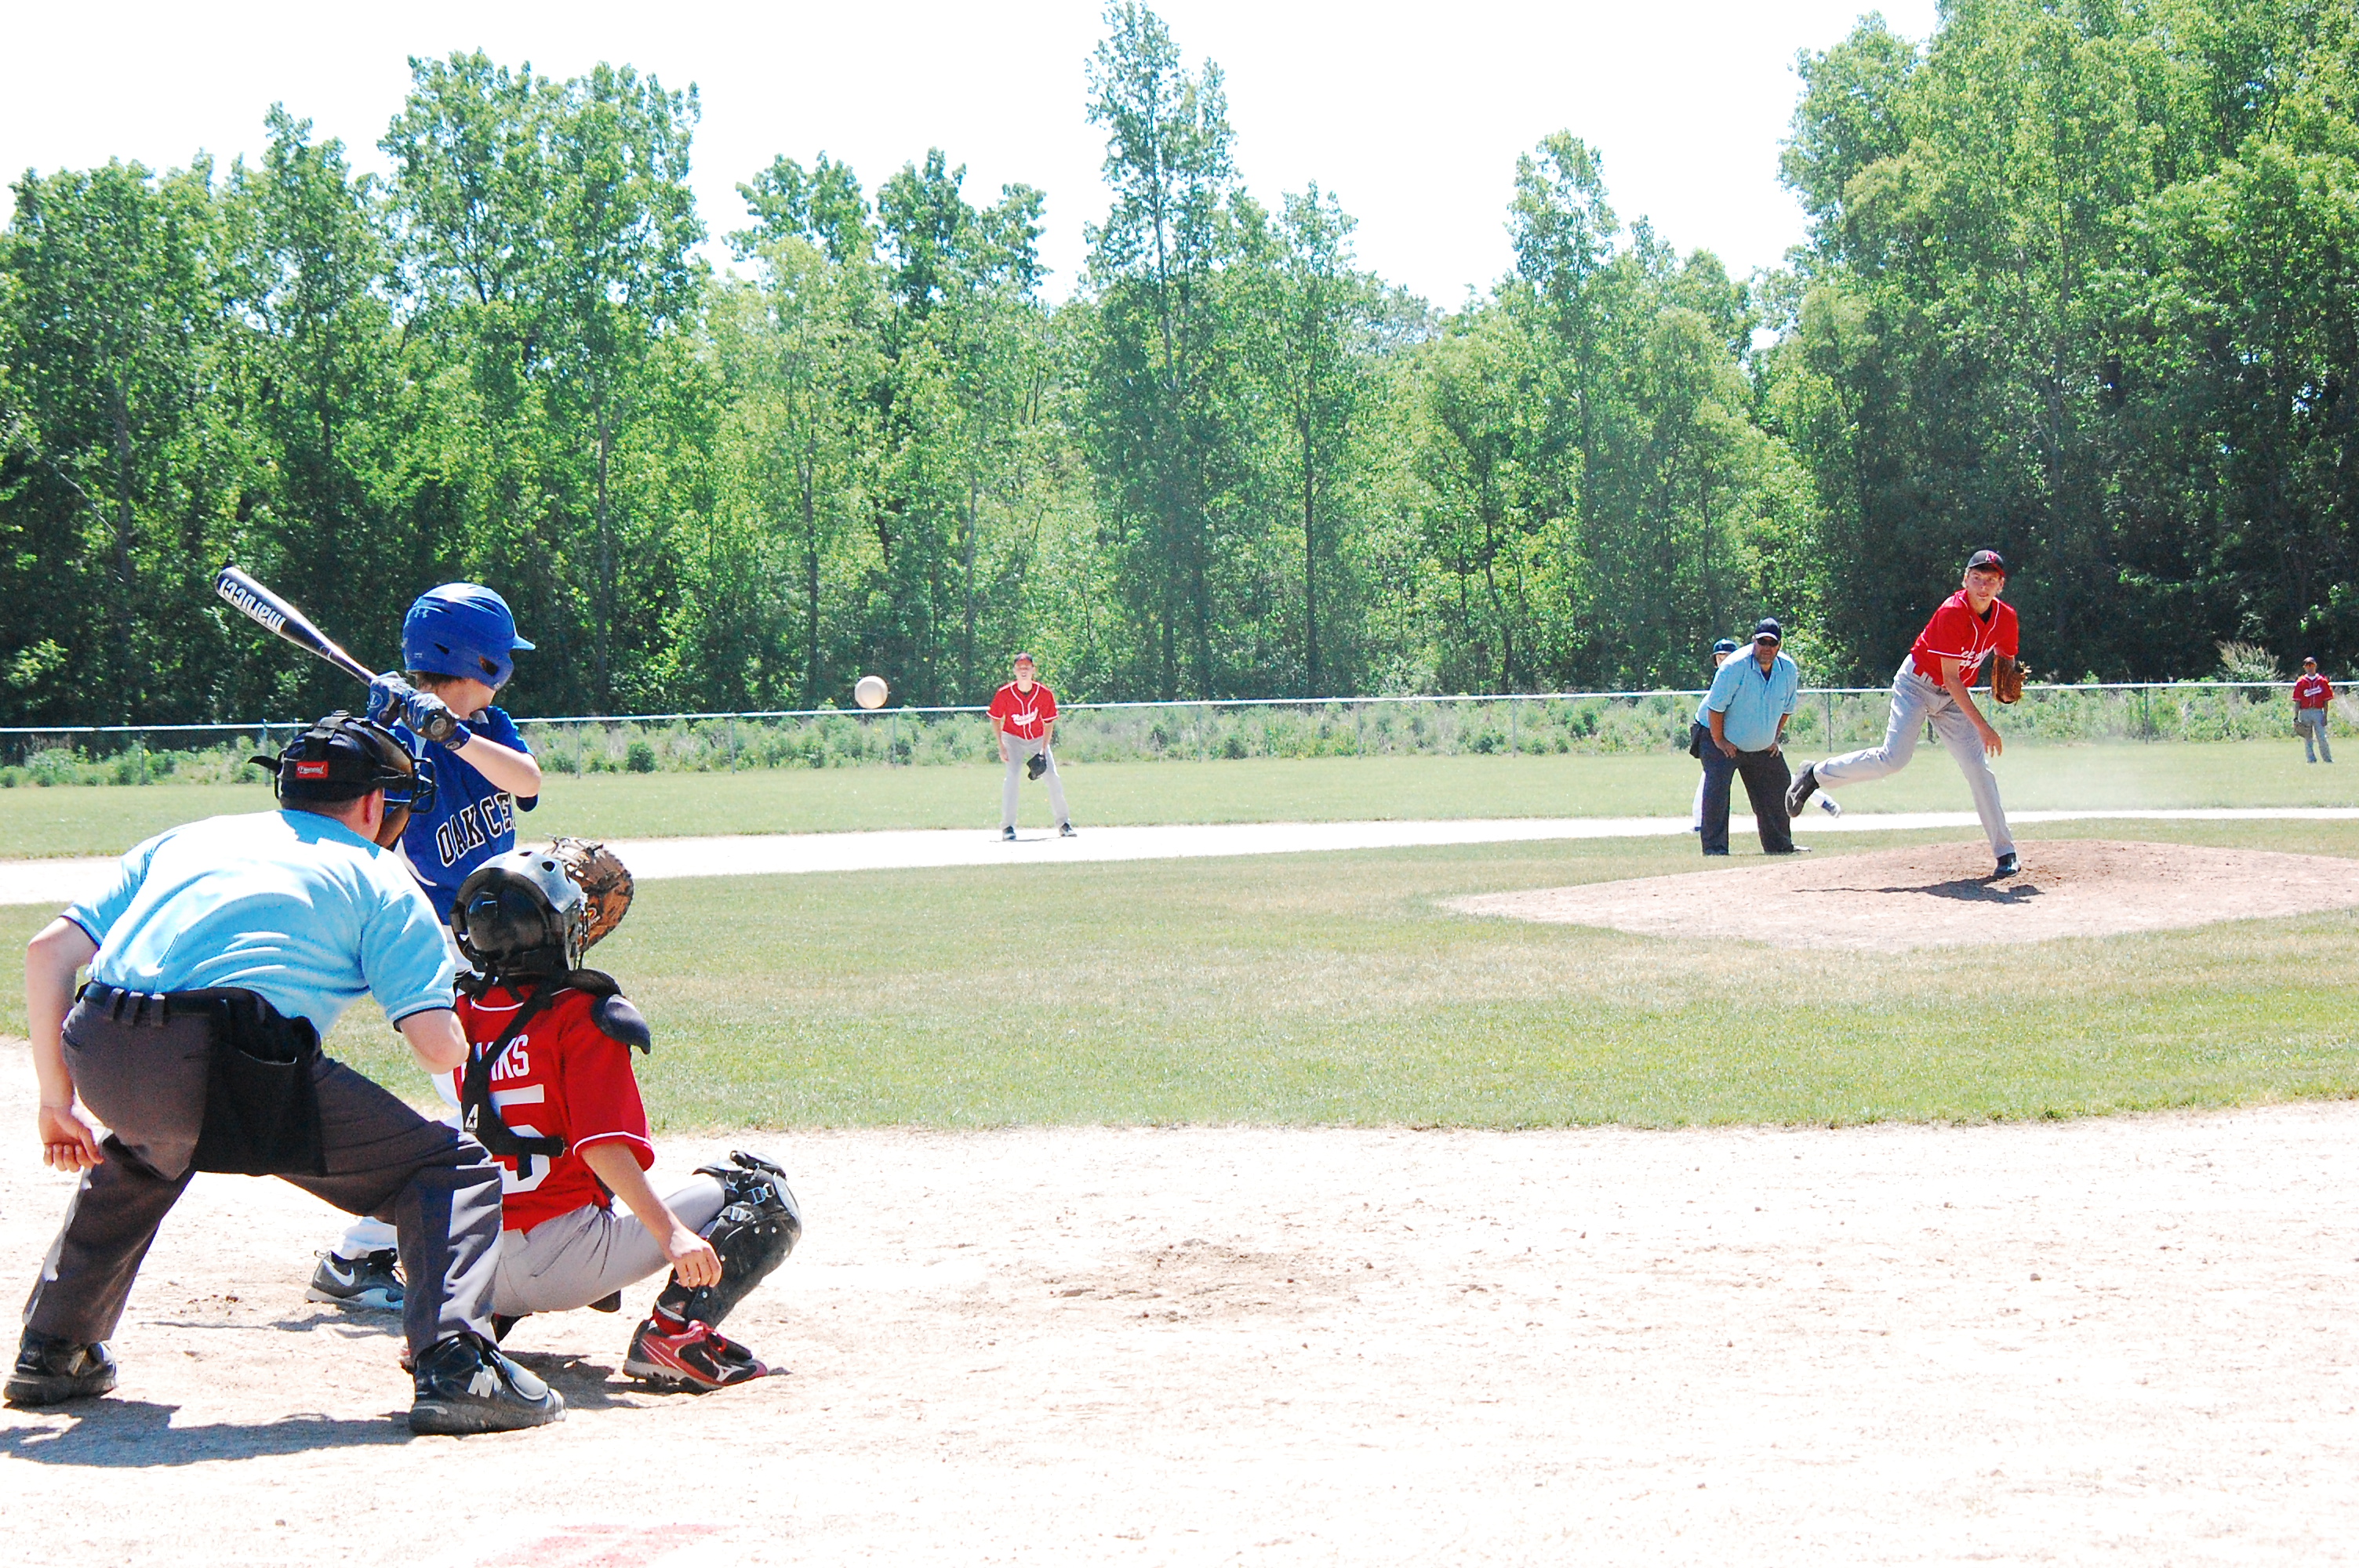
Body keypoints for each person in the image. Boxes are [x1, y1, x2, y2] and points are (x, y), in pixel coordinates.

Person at [7, 712, 561, 1435]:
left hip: (101, 1045)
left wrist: (56, 1101)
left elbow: (47, 953)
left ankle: (53, 1349)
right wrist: (469, 1020)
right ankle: (456, 1365)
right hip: (231, 1056)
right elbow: (436, 1049)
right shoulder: (379, 875)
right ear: (376, 805)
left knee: (145, 1155)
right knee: (449, 1169)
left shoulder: (188, 838)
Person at [440, 840, 801, 1391]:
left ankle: (463, 1332)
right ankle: (674, 1335)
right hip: (562, 1263)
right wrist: (670, 1234)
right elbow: (600, 1145)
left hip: (473, 1272)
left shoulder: (460, 1013)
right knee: (760, 1190)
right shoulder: (582, 1013)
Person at [307, 583, 544, 1315]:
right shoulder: (394, 737)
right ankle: (359, 1254)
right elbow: (352, 826)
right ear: (486, 660)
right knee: (482, 1105)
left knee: (488, 1102)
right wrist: (388, 730)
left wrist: (454, 734)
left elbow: (527, 780)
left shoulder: (489, 725)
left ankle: (373, 1249)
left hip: (496, 939)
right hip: (437, 944)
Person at [1790, 549, 2023, 877]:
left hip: (1952, 698)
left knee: (1977, 769)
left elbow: (2006, 657)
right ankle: (1815, 775)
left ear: (2001, 585)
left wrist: (2009, 677)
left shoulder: (2006, 617)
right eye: (1977, 578)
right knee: (1894, 759)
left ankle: (2005, 852)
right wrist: (1984, 727)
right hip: (1918, 684)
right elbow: (1952, 678)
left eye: (1991, 579)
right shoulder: (1952, 612)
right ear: (1965, 580)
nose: (1983, 586)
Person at [1694, 619, 1806, 858]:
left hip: (1759, 744)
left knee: (1779, 783)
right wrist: (1720, 741)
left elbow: (1786, 709)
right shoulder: (1734, 666)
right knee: (1717, 789)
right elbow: (1715, 708)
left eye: (1772, 643)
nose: (1766, 647)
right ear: (1754, 641)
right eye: (1762, 641)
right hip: (1717, 734)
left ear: (1779, 646)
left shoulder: (1788, 670)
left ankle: (1779, 845)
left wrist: (1772, 737)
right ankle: (1715, 849)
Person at [989, 652, 1073, 841]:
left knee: (1052, 776)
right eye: (1020, 668)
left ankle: (1064, 824)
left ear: (1034, 670)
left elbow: (1049, 723)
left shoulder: (1044, 693)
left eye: (1027, 667)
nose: (1024, 671)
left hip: (1037, 738)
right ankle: (1008, 827)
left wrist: (1043, 750)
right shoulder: (1005, 693)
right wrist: (1001, 745)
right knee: (1012, 777)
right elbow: (995, 718)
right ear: (1014, 671)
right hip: (1012, 738)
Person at [1690, 637, 1739, 833]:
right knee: (1711, 778)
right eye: (1719, 657)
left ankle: (1820, 799)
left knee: (1768, 773)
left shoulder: (1738, 677)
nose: (1723, 660)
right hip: (1709, 731)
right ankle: (1699, 822)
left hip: (1734, 733)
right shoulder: (1721, 678)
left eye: (1727, 656)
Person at [2293, 655, 2335, 764]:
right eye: (2307, 665)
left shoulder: (2322, 681)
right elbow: (2297, 701)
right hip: (2305, 712)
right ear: (2304, 667)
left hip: (2318, 711)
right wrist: (2296, 717)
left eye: (2311, 665)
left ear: (2315, 666)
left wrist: (2325, 715)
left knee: (2322, 737)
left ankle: (2327, 759)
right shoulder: (2301, 682)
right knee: (2308, 738)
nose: (2310, 667)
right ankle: (2311, 759)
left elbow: (2326, 700)